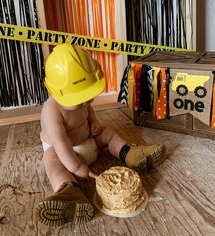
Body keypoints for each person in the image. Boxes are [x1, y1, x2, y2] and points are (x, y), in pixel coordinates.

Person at [35, 43, 165, 227]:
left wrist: (93, 122)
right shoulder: (51, 112)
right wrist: (77, 167)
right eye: (79, 101)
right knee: (50, 159)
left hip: (88, 140)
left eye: (89, 96)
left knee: (108, 132)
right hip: (66, 153)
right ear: (52, 91)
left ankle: (131, 153)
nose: (86, 102)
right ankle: (68, 191)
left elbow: (88, 110)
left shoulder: (81, 101)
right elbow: (61, 142)